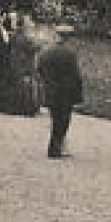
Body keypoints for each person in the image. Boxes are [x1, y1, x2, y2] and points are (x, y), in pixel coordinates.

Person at [36, 24, 85, 158]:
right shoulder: (70, 54)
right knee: (63, 121)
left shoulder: (46, 51)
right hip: (65, 92)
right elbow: (76, 75)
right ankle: (55, 148)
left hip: (50, 89)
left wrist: (47, 80)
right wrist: (78, 94)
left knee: (55, 118)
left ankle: (56, 146)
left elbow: (39, 68)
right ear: (68, 38)